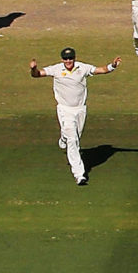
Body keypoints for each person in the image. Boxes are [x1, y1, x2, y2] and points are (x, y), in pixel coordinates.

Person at [29, 48, 120, 185]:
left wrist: (112, 66)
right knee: (73, 142)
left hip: (80, 109)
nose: (68, 61)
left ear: (74, 58)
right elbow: (37, 75)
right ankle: (79, 174)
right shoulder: (56, 69)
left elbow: (100, 70)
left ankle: (63, 137)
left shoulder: (82, 67)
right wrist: (34, 69)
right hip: (65, 109)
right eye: (66, 59)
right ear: (62, 59)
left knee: (74, 136)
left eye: (70, 58)